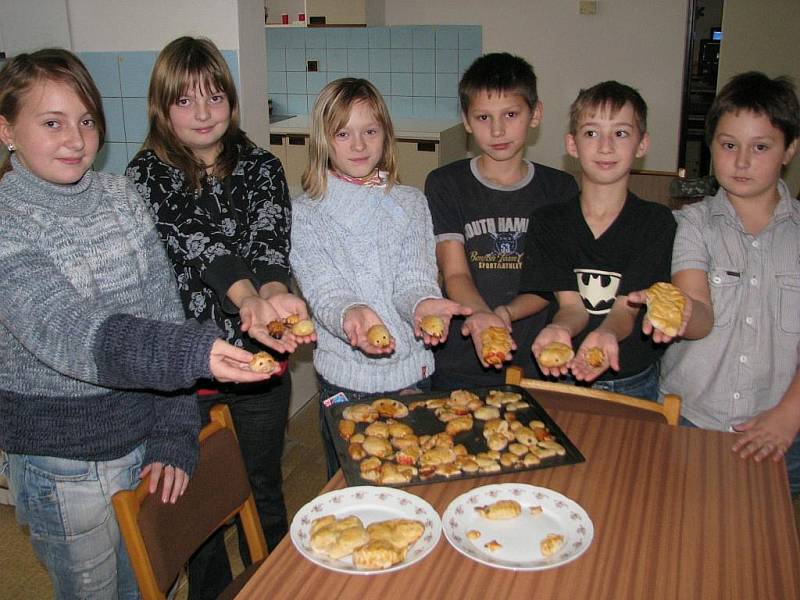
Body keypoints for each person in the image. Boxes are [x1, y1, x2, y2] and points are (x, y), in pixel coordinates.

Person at [0, 48, 272, 600]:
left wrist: (173, 433)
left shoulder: (120, 197)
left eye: (85, 121)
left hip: (145, 439)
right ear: (6, 130)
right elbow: (67, 330)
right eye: (51, 123)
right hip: (65, 463)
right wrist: (194, 352)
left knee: (160, 583)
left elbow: (162, 313)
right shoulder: (8, 220)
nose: (75, 140)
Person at [126, 36, 311, 599]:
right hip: (193, 365)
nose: (204, 113)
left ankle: (281, 581)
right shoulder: (144, 176)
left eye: (214, 97)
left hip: (259, 358)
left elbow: (268, 241)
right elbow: (198, 243)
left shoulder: (260, 165)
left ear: (231, 100)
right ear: (162, 107)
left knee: (262, 484)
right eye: (185, 101)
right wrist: (248, 298)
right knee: (201, 503)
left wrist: (273, 295)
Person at [289, 78, 469, 477]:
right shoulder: (305, 214)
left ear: (386, 136)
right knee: (353, 484)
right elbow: (324, 289)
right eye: (344, 133)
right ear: (323, 140)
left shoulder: (410, 203)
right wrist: (351, 312)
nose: (358, 145)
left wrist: (423, 304)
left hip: (412, 376)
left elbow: (413, 277)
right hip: (345, 384)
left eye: (370, 131)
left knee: (415, 475)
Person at [654, 71, 800, 494]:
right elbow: (698, 311)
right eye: (728, 145)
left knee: (762, 546)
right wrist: (677, 313)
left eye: (760, 147)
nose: (741, 161)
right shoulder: (693, 223)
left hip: (779, 429)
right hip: (692, 417)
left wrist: (789, 414)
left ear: (789, 149)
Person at [424, 52, 578, 390]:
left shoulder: (560, 189)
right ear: (465, 120)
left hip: (534, 359)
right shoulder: (444, 183)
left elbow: (549, 282)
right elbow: (454, 271)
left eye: (510, 114)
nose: (497, 129)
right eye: (482, 117)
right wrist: (483, 318)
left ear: (535, 114)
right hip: (460, 355)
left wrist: (506, 313)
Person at [520, 81, 676, 400]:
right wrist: (560, 329)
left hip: (633, 380)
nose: (605, 147)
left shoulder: (656, 222)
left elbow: (625, 311)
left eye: (620, 133)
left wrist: (605, 333)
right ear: (572, 144)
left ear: (642, 144)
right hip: (563, 376)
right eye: (591, 133)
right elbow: (571, 307)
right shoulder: (548, 221)